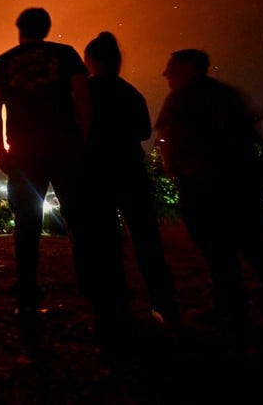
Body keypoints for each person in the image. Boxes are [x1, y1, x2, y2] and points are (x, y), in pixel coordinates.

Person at [154, 49, 263, 334]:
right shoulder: (226, 94)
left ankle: (231, 311)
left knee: (218, 252)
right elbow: (252, 127)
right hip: (242, 183)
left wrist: (174, 169)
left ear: (189, 68)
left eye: (171, 67)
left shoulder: (180, 98)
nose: (165, 74)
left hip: (202, 185)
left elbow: (169, 139)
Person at [0, 8, 99, 326]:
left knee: (27, 222)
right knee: (78, 215)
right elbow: (82, 96)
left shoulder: (2, 63)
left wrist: (1, 149)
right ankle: (89, 284)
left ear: (19, 28)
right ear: (47, 28)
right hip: (65, 146)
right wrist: (83, 140)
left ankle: (27, 288)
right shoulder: (66, 55)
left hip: (24, 153)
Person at [83, 32, 178, 324]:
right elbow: (144, 132)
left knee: (103, 240)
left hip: (97, 170)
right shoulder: (130, 92)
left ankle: (112, 306)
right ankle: (163, 303)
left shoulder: (83, 92)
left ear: (90, 61)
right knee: (146, 237)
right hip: (129, 167)